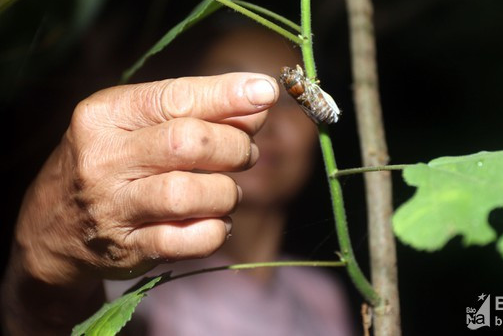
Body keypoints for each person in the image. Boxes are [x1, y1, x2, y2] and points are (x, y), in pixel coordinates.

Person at [1, 21, 353, 335]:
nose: (266, 120)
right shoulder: (135, 276)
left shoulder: (323, 295)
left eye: (291, 104)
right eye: (233, 88)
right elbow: (49, 320)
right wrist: (46, 269)